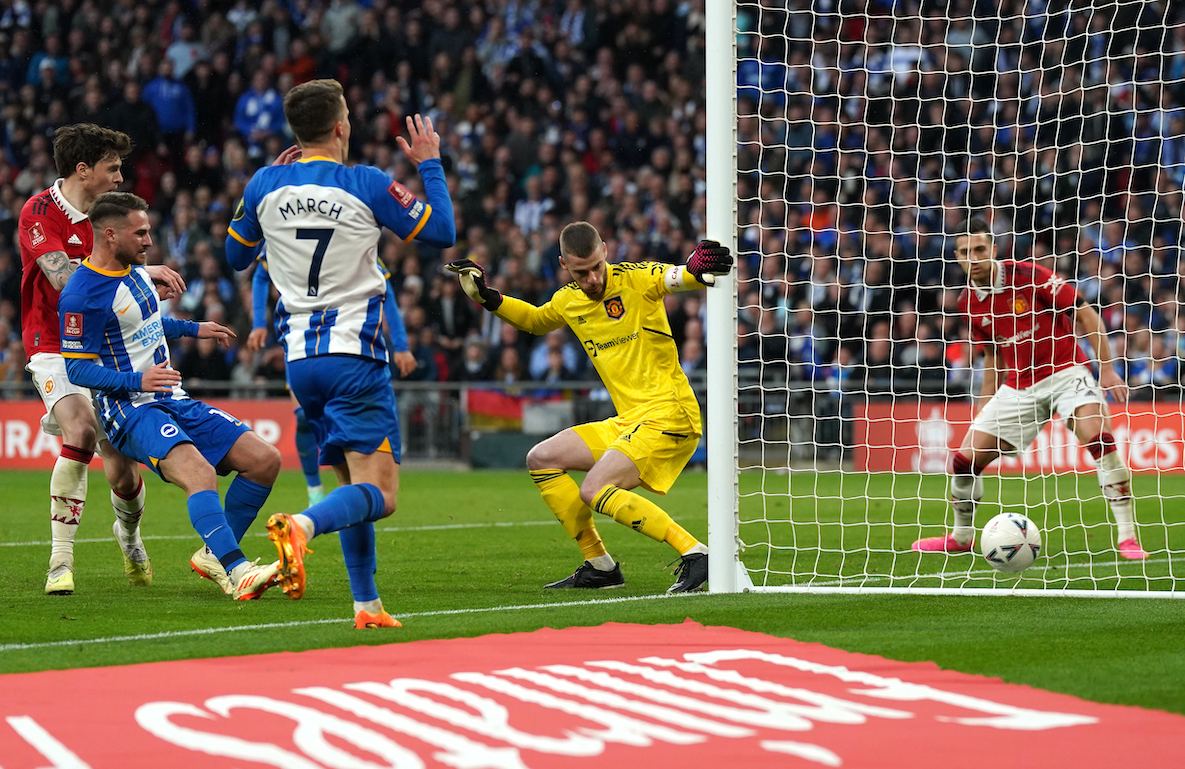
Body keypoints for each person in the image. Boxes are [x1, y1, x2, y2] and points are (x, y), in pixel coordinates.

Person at [224, 78, 456, 628]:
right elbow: (442, 231)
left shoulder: (263, 184)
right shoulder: (366, 183)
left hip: (301, 362)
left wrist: (262, 189)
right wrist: (430, 162)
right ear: (341, 126)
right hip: (355, 354)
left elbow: (236, 256)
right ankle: (301, 528)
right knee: (382, 491)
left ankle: (366, 603)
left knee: (354, 483)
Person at [447, 222, 733, 592]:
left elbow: (679, 276)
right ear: (564, 263)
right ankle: (600, 566)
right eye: (582, 272)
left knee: (594, 488)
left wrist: (695, 267)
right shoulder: (568, 300)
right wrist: (486, 297)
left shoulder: (638, 278)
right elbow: (534, 321)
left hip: (669, 413)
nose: (593, 278)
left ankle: (696, 554)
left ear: (606, 250)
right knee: (542, 457)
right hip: (630, 421)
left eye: (597, 266)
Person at [57, 192, 284, 600]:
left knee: (265, 461)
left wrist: (194, 328)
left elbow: (147, 326)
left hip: (171, 396)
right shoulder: (81, 294)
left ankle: (215, 555)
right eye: (140, 232)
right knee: (200, 473)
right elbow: (76, 368)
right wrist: (137, 380)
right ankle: (237, 570)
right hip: (128, 408)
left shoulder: (136, 273)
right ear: (110, 235)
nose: (148, 240)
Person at [913, 217, 1148, 560]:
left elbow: (1086, 314)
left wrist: (1107, 369)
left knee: (1098, 436)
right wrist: (984, 402)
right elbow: (992, 355)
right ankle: (961, 537)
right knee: (964, 460)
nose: (974, 257)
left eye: (980, 249)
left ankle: (1127, 537)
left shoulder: (1029, 275)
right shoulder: (968, 303)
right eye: (966, 252)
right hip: (1019, 386)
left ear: (993, 249)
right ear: (957, 256)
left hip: (1067, 371)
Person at [19, 124, 186, 595]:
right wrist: (141, 270)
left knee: (122, 469)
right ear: (82, 169)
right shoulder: (39, 213)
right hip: (52, 344)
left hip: (107, 347)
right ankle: (60, 561)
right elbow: (61, 279)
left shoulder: (113, 215)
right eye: (112, 168)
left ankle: (129, 537)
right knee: (82, 431)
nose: (119, 176)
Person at [247, 248, 417, 507]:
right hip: (301, 340)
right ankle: (315, 490)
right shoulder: (285, 228)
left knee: (345, 436)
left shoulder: (353, 233)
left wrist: (402, 345)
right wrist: (259, 322)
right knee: (304, 418)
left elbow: (386, 291)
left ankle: (339, 499)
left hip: (345, 342)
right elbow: (258, 273)